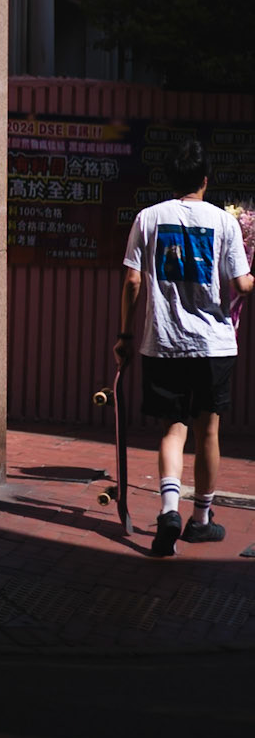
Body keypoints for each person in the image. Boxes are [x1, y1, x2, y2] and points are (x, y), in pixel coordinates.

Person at [116, 138, 253, 556]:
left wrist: (124, 336)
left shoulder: (148, 218)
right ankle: (200, 520)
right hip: (213, 346)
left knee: (172, 431)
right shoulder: (225, 223)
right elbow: (242, 284)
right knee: (207, 431)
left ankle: (169, 510)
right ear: (205, 181)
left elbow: (134, 281)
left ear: (171, 178)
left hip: (163, 343)